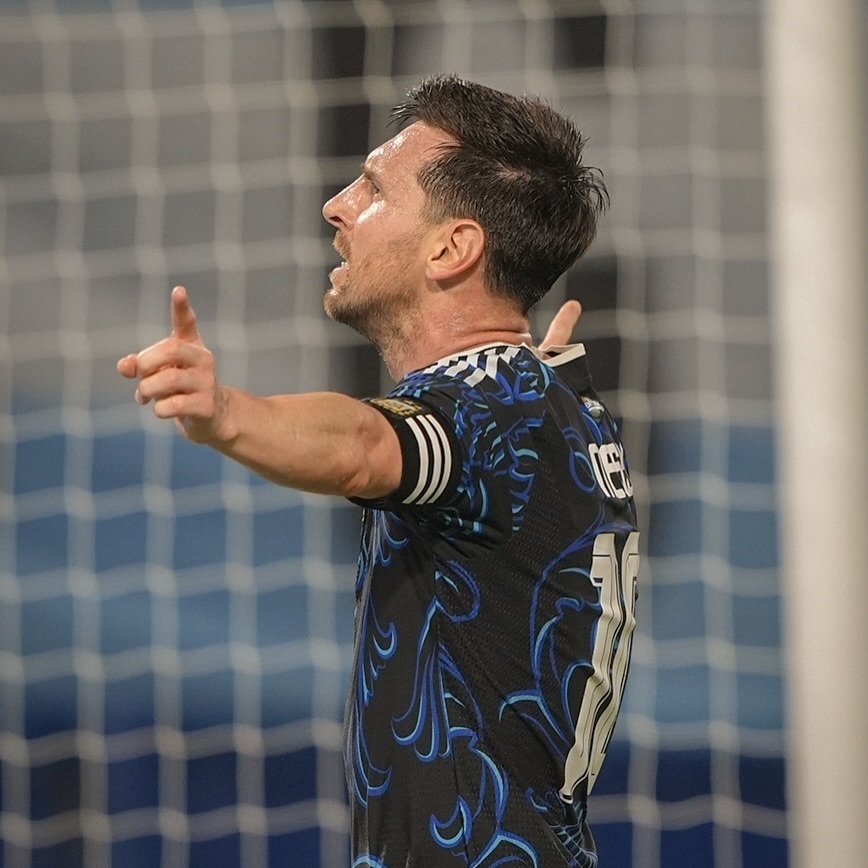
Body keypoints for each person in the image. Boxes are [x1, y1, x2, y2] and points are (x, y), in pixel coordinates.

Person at [118, 74, 639, 867]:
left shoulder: (494, 402)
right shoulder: (542, 402)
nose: (337, 206)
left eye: (373, 189)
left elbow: (363, 446)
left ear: (451, 248)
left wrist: (225, 413)